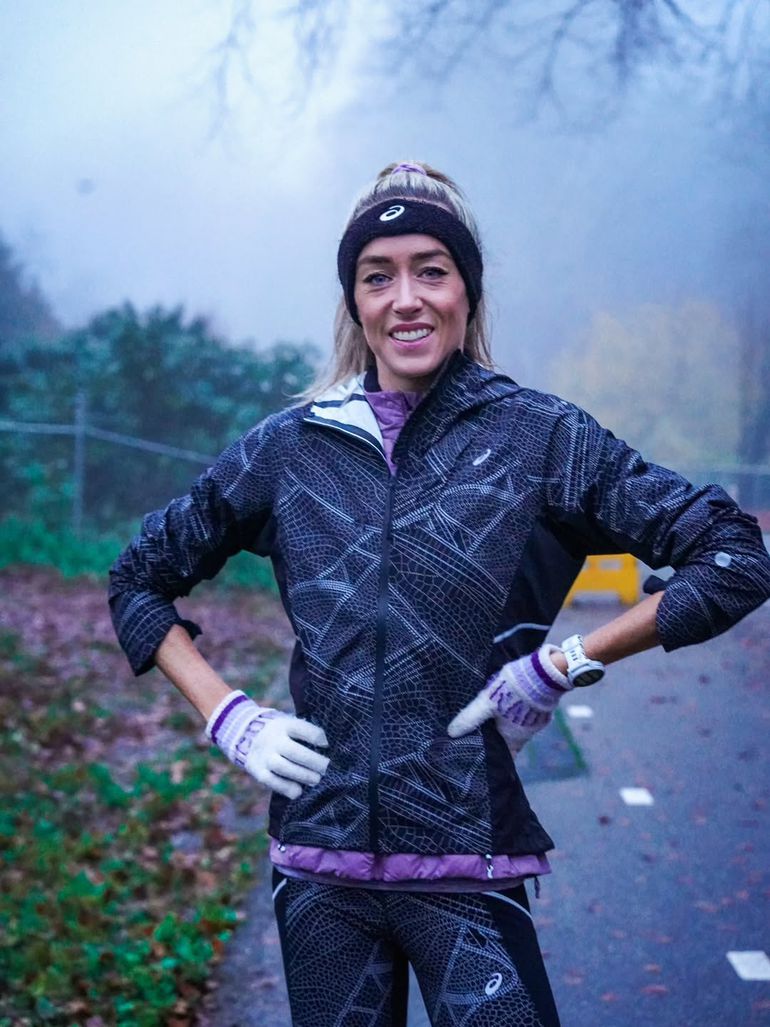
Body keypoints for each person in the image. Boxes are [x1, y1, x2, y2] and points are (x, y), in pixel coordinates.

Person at [109, 161, 770, 1027]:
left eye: (431, 269)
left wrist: (564, 662)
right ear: (354, 302)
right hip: (319, 870)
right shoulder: (289, 447)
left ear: (468, 290)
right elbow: (137, 578)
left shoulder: (541, 437)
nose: (406, 299)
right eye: (377, 276)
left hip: (468, 862)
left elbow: (735, 556)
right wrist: (229, 715)